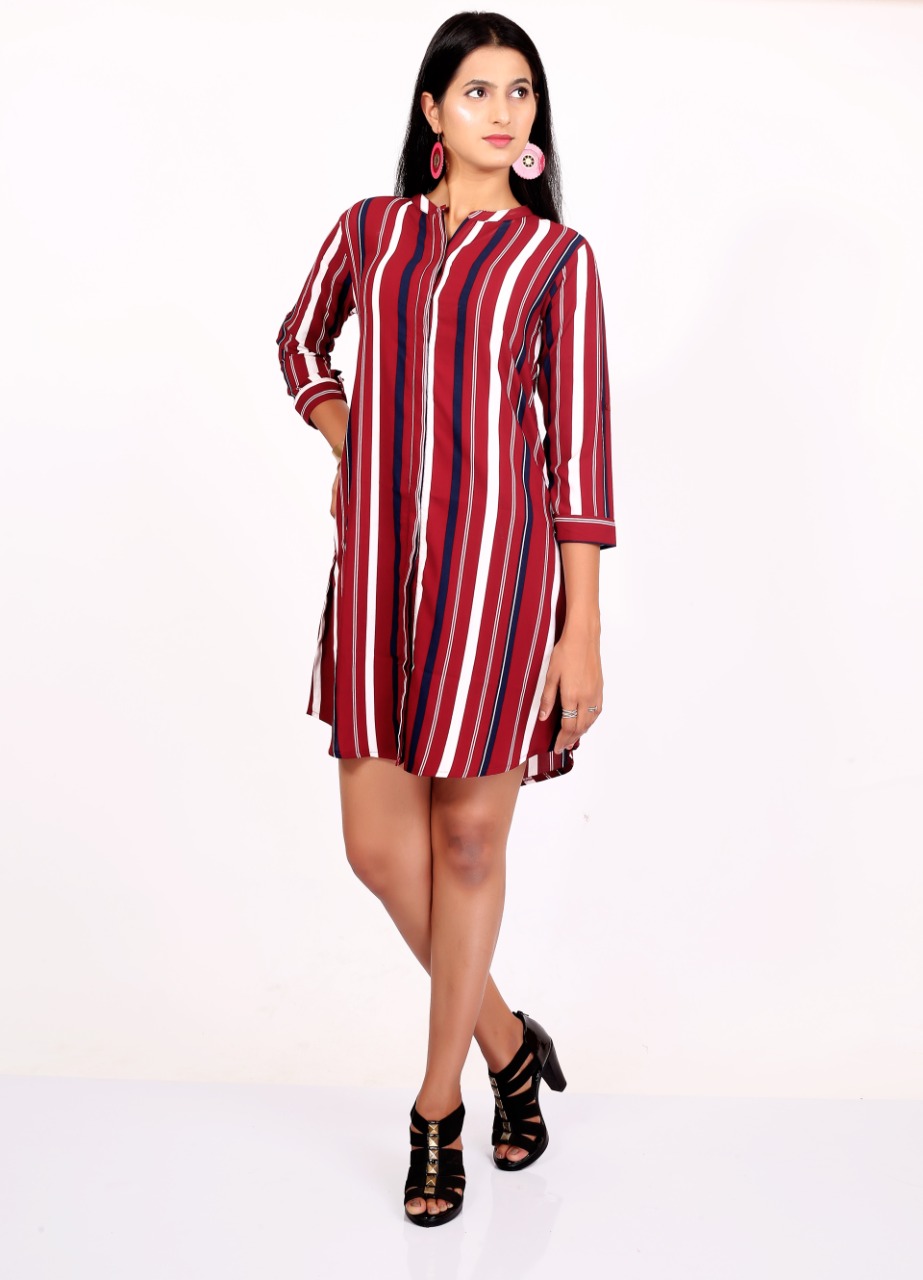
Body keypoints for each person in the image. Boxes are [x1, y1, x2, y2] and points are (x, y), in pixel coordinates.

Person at [275, 11, 616, 1228]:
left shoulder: (554, 261)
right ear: (431, 109)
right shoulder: (370, 232)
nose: (501, 110)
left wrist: (580, 631)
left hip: (500, 582)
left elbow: (577, 456)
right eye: (477, 89)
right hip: (377, 582)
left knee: (467, 843)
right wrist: (346, 436)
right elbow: (299, 342)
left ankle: (437, 1108)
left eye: (519, 92)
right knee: (379, 848)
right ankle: (511, 1043)